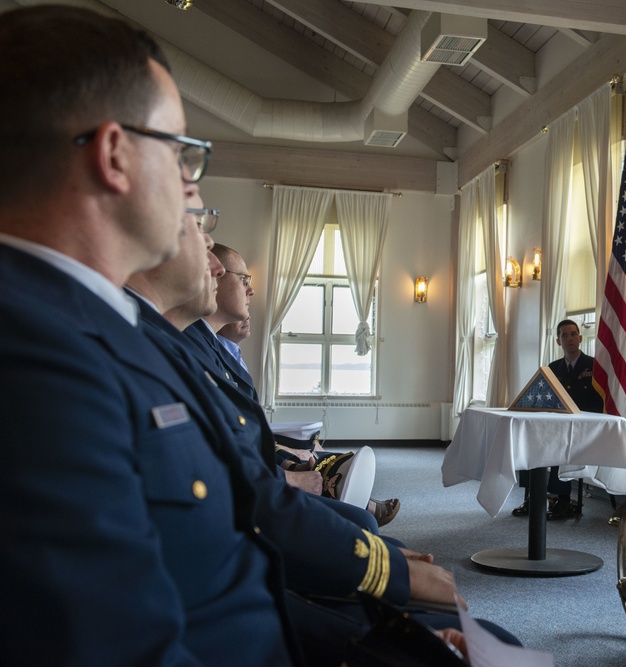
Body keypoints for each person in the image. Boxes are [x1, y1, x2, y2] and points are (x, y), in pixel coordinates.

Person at [0, 8, 506, 663]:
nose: (192, 181)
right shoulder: (36, 357)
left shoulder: (99, 325)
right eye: (181, 150)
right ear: (115, 154)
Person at [124, 198, 515, 660]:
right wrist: (381, 578)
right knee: (487, 643)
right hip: (234, 617)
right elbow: (237, 513)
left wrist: (379, 574)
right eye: (195, 218)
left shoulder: (156, 343)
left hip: (252, 588)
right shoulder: (135, 347)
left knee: (484, 636)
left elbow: (239, 484)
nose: (210, 251)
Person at [189, 242, 400, 526]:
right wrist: (286, 474)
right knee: (364, 524)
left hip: (254, 474)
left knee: (361, 520)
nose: (251, 290)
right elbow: (221, 445)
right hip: (243, 493)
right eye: (244, 280)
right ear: (214, 276)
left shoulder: (207, 346)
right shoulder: (193, 347)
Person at [513, 319, 604, 520]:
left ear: (580, 338)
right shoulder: (552, 369)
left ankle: (563, 500)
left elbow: (600, 402)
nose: (569, 339)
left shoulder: (594, 366)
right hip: (557, 425)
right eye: (564, 335)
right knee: (530, 445)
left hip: (584, 428)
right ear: (557, 341)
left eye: (573, 334)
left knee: (561, 448)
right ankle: (534, 498)